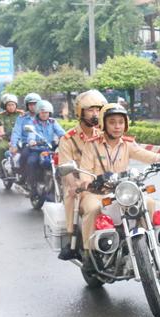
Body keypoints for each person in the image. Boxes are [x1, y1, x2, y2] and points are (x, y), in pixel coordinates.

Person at [75, 103, 160, 269]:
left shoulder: (127, 144)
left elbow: (144, 154)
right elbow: (85, 170)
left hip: (123, 191)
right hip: (97, 192)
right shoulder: (92, 145)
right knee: (92, 208)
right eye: (112, 122)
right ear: (104, 124)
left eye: (121, 122)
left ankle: (144, 244)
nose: (117, 126)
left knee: (148, 202)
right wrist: (87, 181)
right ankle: (88, 253)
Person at [56, 89, 107, 260]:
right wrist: (74, 185)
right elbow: (65, 167)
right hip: (79, 185)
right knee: (73, 197)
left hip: (103, 183)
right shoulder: (68, 139)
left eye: (98, 110)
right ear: (80, 112)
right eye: (91, 110)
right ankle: (75, 241)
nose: (95, 114)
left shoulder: (103, 135)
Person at [21, 100, 65, 184]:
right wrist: (32, 141)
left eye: (46, 112)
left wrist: (64, 138)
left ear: (49, 113)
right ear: (38, 113)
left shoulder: (53, 122)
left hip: (50, 149)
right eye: (42, 112)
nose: (44, 114)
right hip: (37, 150)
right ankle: (32, 186)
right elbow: (31, 135)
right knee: (32, 162)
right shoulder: (33, 122)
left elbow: (61, 133)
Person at [0, 94, 22, 168]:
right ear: (5, 106)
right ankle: (1, 167)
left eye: (13, 104)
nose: (11, 107)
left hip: (20, 138)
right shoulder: (0, 116)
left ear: (16, 105)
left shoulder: (21, 115)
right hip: (5, 138)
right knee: (1, 148)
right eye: (9, 105)